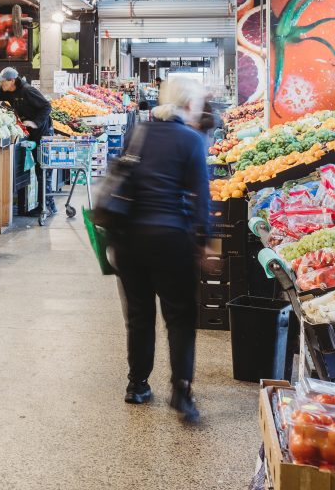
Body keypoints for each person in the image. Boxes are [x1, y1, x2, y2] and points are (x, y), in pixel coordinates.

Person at [108, 73, 211, 424]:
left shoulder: (136, 133)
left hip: (129, 240)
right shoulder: (191, 140)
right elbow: (201, 200)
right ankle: (181, 392)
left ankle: (137, 385)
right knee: (180, 317)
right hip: (171, 239)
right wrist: (205, 242)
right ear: (187, 104)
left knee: (138, 315)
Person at [0, 67, 54, 216]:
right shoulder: (8, 90)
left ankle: (45, 206)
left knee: (42, 169)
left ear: (12, 80)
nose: (1, 85)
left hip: (42, 133)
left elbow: (47, 106)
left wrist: (35, 122)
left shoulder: (28, 91)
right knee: (40, 169)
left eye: (3, 82)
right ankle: (48, 205)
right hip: (29, 134)